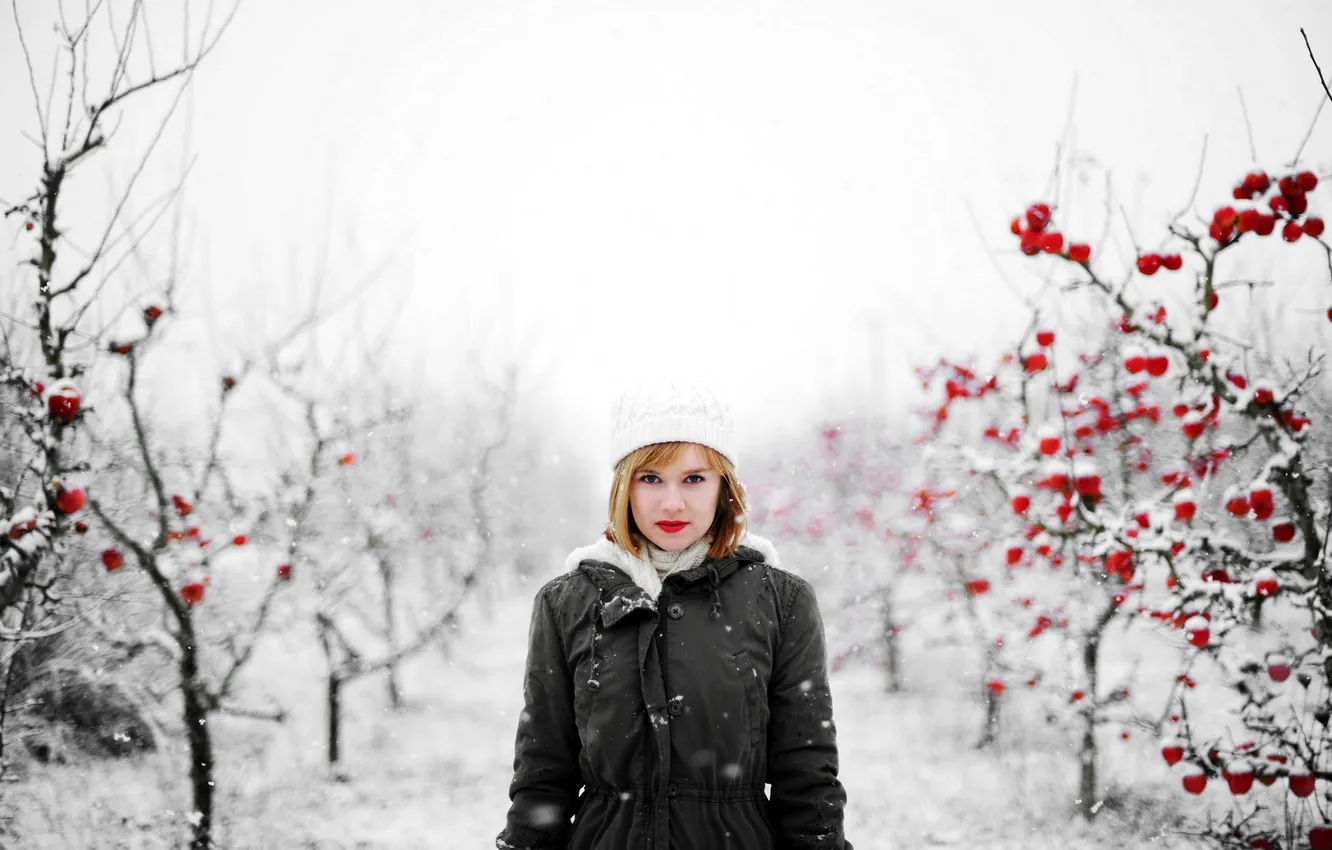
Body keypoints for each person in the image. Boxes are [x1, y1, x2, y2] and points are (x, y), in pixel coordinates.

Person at [496, 378, 854, 850]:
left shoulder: (780, 602)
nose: (671, 502)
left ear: (724, 486)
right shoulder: (567, 603)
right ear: (624, 486)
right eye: (650, 478)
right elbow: (543, 771)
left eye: (693, 478)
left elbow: (807, 771)